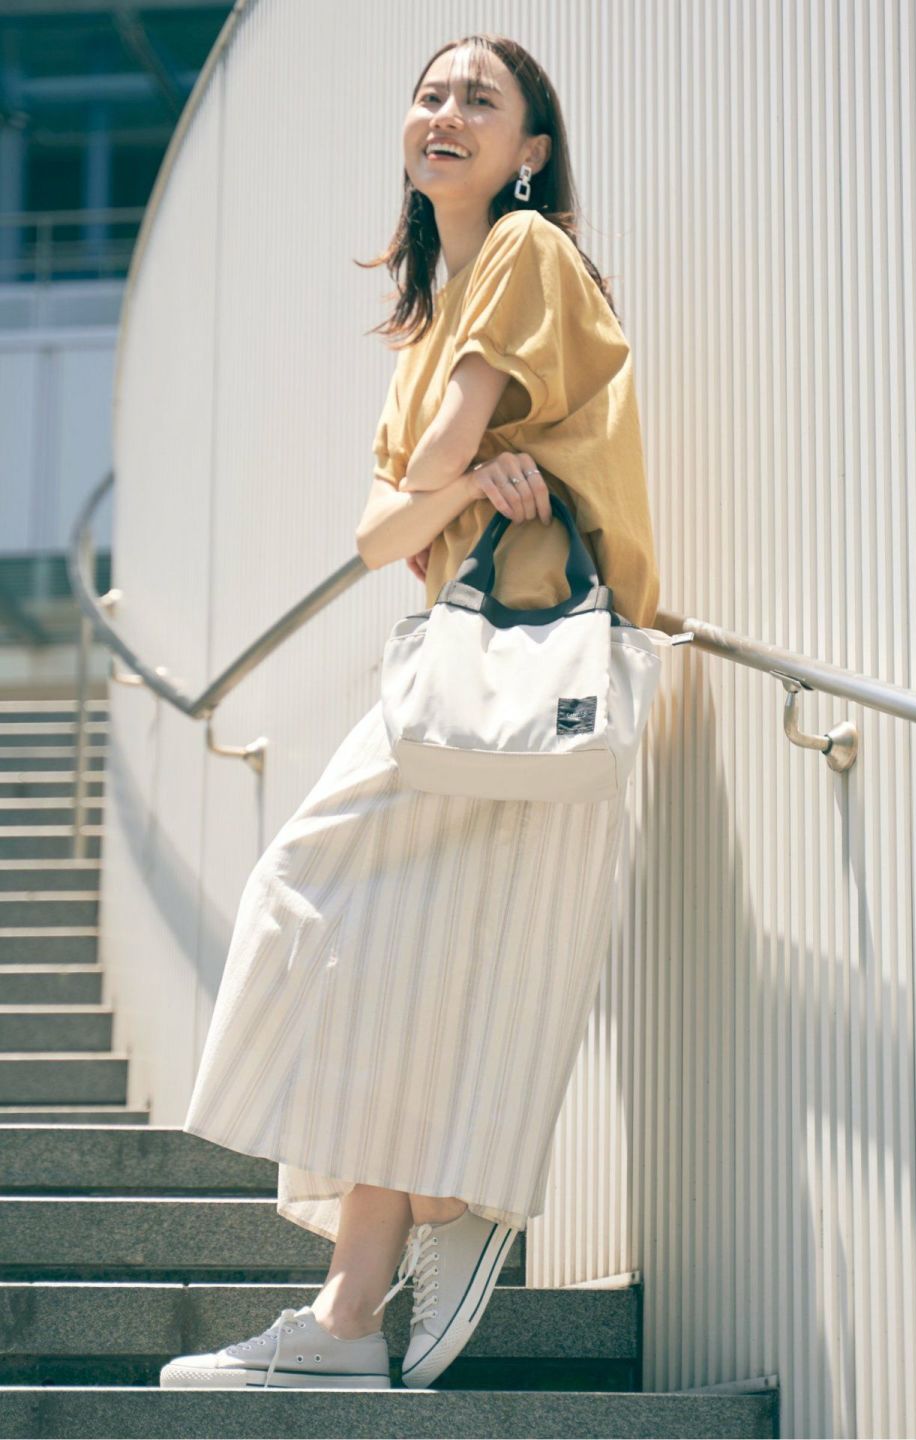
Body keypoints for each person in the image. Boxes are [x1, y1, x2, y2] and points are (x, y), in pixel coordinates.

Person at [160, 31, 660, 1392]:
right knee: (392, 976)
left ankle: (417, 1233)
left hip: (526, 673)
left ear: (529, 151)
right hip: (468, 674)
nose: (446, 113)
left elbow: (418, 485)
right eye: (431, 94)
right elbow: (382, 531)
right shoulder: (434, 317)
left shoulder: (526, 254)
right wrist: (462, 480)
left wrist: (456, 476)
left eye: (480, 101)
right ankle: (355, 1308)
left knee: (305, 891)